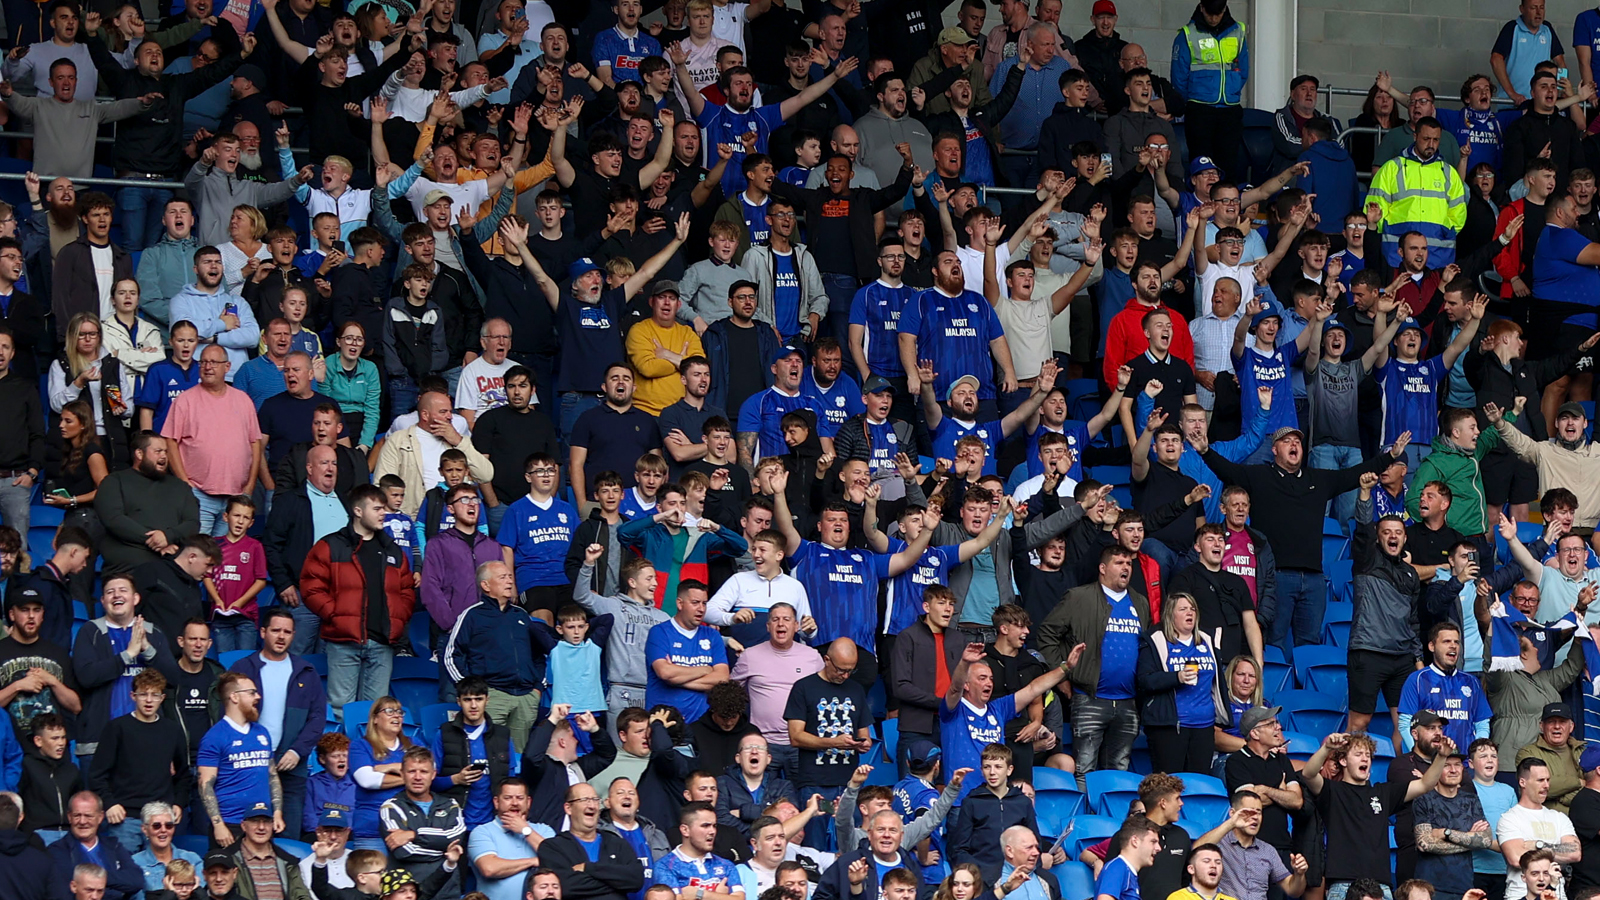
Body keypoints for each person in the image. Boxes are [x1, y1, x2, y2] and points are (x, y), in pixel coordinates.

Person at [300, 484, 417, 717]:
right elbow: (310, 585)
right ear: (358, 511)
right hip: (343, 642)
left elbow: (406, 591)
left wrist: (398, 618)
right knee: (340, 710)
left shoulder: (393, 550)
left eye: (383, 508)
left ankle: (367, 755)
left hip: (382, 643)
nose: (383, 513)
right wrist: (335, 614)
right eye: (376, 508)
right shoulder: (330, 545)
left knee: (376, 714)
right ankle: (340, 755)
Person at [1305, 731, 1453, 895]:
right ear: (1343, 760)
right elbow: (1308, 774)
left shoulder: (1383, 792)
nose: (1365, 758)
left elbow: (1425, 784)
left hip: (1380, 886)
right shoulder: (1332, 790)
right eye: (1358, 754)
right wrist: (1326, 748)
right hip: (1343, 884)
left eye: (1368, 755)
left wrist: (1441, 757)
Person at [227, 607, 327, 841]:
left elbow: (317, 718)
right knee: (247, 837)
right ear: (262, 632)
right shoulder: (242, 669)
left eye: (287, 632)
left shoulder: (306, 671)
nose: (281, 636)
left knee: (287, 838)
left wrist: (296, 751)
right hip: (249, 765)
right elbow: (228, 715)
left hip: (291, 767)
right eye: (275, 630)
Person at [87, 668, 193, 854]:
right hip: (126, 819)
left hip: (161, 819)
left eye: (155, 694)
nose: (149, 700)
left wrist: (178, 803)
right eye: (143, 694)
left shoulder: (173, 730)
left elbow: (183, 775)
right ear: (133, 696)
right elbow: (97, 774)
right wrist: (110, 803)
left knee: (160, 877)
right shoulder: (116, 728)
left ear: (162, 698)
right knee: (126, 878)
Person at [373, 390, 494, 520]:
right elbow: (382, 484)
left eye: (450, 411)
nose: (450, 416)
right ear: (425, 415)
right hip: (414, 518)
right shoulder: (399, 440)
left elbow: (486, 475)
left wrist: (458, 441)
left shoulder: (458, 440)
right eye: (443, 412)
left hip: (456, 519)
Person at [539, 781, 647, 900]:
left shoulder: (617, 843)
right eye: (584, 800)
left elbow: (636, 879)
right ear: (568, 808)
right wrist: (616, 883)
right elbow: (565, 887)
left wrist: (588, 868)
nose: (591, 806)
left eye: (595, 800)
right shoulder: (552, 847)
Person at [1499, 757, 1581, 900]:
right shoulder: (1509, 818)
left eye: (1548, 780)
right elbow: (1516, 858)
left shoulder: (1558, 817)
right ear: (1522, 782)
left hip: (1557, 895)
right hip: (1520, 895)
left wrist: (1538, 845)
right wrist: (1556, 851)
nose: (1546, 785)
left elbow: (1575, 853)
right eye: (1540, 780)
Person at [46, 792, 144, 900]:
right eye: (77, 815)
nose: (82, 821)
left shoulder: (113, 845)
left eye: (88, 816)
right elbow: (62, 893)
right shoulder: (57, 851)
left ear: (100, 817)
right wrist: (115, 882)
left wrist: (99, 877)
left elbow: (136, 880)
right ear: (69, 817)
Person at [1216, 789, 1309, 900]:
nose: (1255, 817)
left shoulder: (1268, 850)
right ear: (1233, 813)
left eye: (1258, 812)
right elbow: (1196, 850)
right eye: (1249, 812)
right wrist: (1231, 823)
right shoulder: (1218, 843)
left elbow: (1292, 890)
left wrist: (1299, 874)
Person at [1094, 816, 1161, 900]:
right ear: (1135, 841)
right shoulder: (1117, 868)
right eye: (1153, 842)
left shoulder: (1125, 870)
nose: (1159, 848)